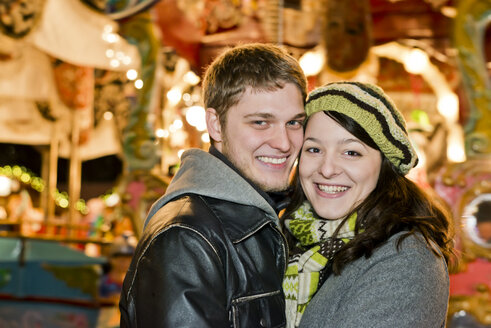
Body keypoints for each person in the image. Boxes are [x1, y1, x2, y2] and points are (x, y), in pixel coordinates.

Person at [119, 43, 308, 327]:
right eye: (260, 122)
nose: (284, 143)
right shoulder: (186, 238)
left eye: (293, 123)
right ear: (215, 125)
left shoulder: (266, 214)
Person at [281, 81, 455, 328]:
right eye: (314, 149)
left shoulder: (405, 257)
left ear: (383, 166)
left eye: (351, 152)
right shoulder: (287, 237)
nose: (327, 169)